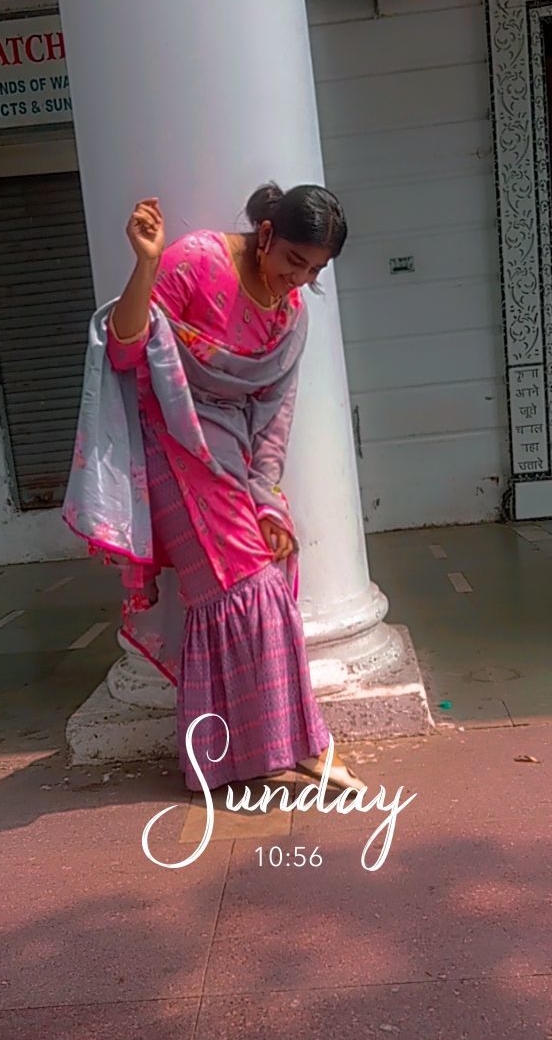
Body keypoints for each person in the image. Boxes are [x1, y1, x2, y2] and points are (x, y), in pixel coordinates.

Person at [65, 182, 365, 794]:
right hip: (170, 446)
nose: (299, 280)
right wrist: (147, 264)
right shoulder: (196, 261)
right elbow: (124, 352)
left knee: (269, 573)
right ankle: (303, 745)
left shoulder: (289, 313)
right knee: (249, 586)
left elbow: (274, 417)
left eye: (314, 271)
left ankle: (224, 757)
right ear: (266, 234)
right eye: (294, 261)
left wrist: (266, 500)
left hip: (231, 456)